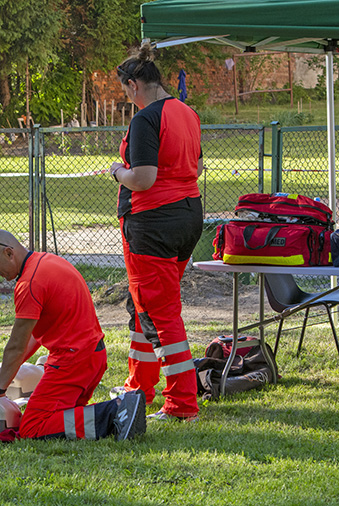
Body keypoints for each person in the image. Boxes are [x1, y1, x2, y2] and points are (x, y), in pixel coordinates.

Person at [0, 229, 146, 441]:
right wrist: (6, 370)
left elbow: (16, 345)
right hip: (92, 357)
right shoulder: (47, 261)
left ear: (9, 253)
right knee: (60, 419)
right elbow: (31, 336)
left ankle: (116, 411)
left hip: (71, 363)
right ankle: (118, 411)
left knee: (32, 427)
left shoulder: (28, 283)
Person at [109, 41, 204, 422]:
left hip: (152, 224)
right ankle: (139, 386)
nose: (128, 101)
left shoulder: (145, 119)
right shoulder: (187, 112)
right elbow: (194, 169)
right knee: (143, 306)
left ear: (134, 85)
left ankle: (182, 403)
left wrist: (117, 172)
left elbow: (143, 178)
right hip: (187, 217)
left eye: (125, 93)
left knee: (161, 313)